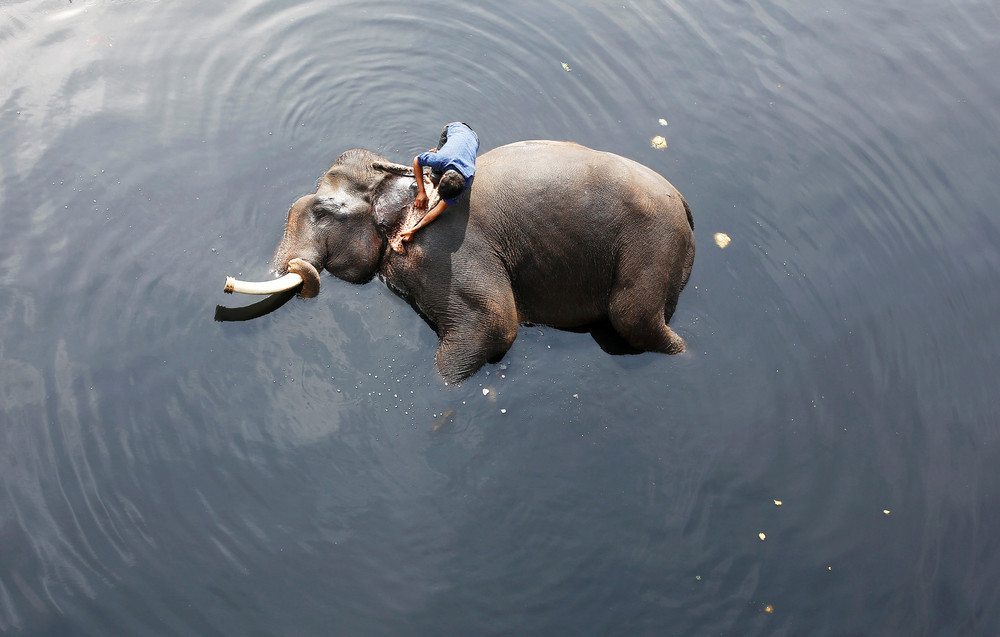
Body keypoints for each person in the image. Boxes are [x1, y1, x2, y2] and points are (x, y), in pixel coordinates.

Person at [396, 122, 479, 247]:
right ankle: (438, 150)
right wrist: (421, 192)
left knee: (435, 177)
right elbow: (416, 160)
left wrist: (413, 230)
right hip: (454, 129)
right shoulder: (440, 160)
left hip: (473, 138)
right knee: (434, 178)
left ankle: (440, 151)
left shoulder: (467, 177)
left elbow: (438, 210)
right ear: (444, 176)